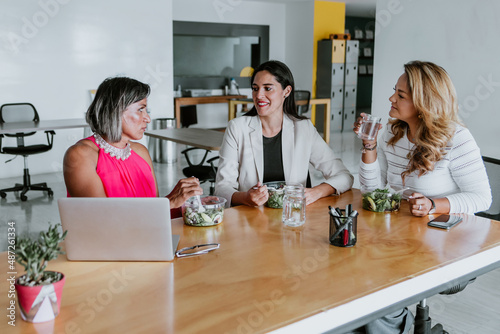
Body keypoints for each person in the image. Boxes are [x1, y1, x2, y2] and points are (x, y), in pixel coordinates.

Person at [354, 60, 491, 217]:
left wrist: (432, 205)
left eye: (400, 95)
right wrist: (369, 145)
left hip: (448, 232)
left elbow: (482, 198)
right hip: (407, 227)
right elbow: (372, 192)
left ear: (423, 103)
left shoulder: (457, 138)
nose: (392, 98)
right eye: (395, 91)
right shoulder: (392, 133)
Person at [215, 60, 353, 207]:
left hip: (293, 219)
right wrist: (245, 197)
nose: (259, 95)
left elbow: (344, 176)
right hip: (252, 219)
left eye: (268, 88)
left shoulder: (303, 128)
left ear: (286, 91)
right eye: (255, 88)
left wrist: (316, 191)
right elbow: (222, 188)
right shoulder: (237, 128)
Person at [63, 77, 202, 217]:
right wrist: (168, 202)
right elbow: (102, 219)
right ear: (115, 111)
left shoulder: (141, 152)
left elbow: (154, 214)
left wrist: (188, 205)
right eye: (140, 109)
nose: (147, 118)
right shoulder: (80, 155)